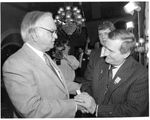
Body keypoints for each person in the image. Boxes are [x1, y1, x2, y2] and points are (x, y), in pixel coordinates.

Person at [2, 11, 84, 118]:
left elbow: (58, 85)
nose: (55, 36)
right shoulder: (15, 64)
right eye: (52, 31)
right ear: (36, 34)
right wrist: (76, 105)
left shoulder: (45, 56)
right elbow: (32, 110)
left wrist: (82, 87)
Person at [75, 29, 148, 117]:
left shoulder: (141, 75)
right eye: (105, 47)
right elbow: (87, 82)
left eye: (110, 50)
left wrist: (96, 109)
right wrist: (87, 99)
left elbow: (134, 110)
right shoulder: (99, 63)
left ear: (126, 54)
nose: (104, 53)